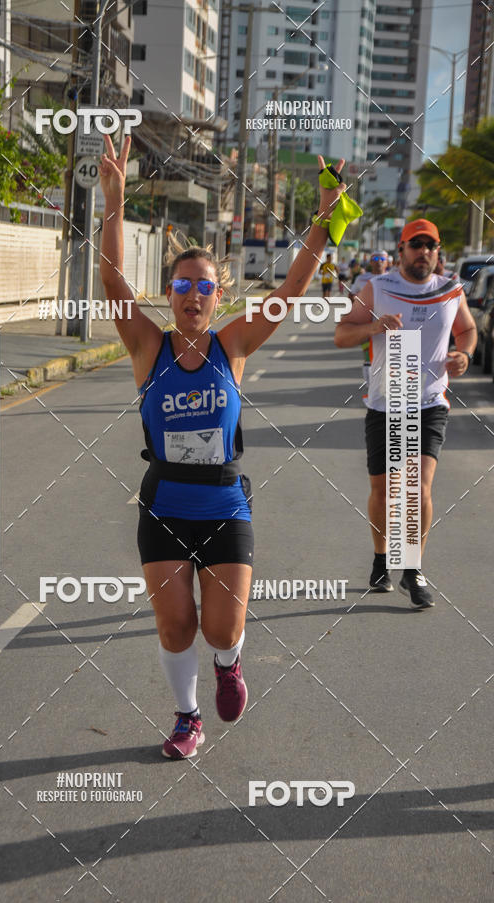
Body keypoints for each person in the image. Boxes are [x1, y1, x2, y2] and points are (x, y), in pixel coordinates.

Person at [99, 136, 346, 758]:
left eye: (203, 287)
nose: (190, 295)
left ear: (218, 294)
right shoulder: (145, 347)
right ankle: (186, 718)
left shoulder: (231, 346)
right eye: (181, 286)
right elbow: (110, 280)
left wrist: (323, 217)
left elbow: (290, 289)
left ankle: (229, 663)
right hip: (163, 504)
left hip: (224, 506)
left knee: (220, 627)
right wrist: (112, 199)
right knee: (176, 625)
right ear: (171, 292)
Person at [334, 219, 477, 608]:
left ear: (438, 252)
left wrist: (463, 354)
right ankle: (382, 558)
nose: (424, 252)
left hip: (430, 403)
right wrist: (374, 327)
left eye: (431, 245)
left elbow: (467, 330)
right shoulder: (378, 288)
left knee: (418, 486)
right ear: (401, 251)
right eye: (416, 245)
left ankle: (412, 571)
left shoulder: (450, 290)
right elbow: (342, 333)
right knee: (384, 490)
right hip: (385, 402)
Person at [348, 250, 389, 389]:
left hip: (387, 323)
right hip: (366, 322)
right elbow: (351, 295)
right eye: (376, 258)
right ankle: (371, 387)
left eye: (382, 259)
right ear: (371, 262)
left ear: (387, 262)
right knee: (368, 355)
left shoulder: (394, 279)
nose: (379, 261)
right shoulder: (362, 278)